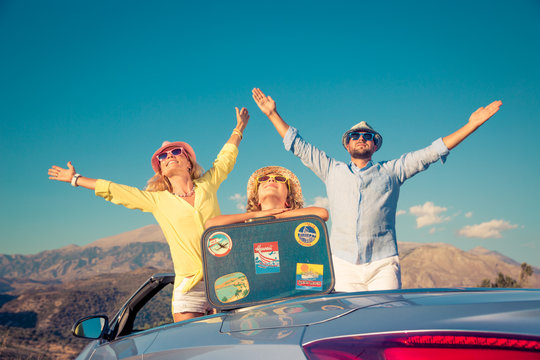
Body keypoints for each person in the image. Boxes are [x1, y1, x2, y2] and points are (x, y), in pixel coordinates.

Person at [252, 87, 502, 292]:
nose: (361, 137)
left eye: (367, 135)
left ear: (375, 145)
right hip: (342, 265)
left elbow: (431, 153)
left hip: (382, 264)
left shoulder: (393, 170)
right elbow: (299, 146)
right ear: (347, 144)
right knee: (346, 329)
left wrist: (472, 125)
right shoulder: (331, 169)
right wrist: (272, 114)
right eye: (355, 135)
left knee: (383, 325)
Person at [48, 107, 250, 322]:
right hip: (188, 286)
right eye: (163, 156)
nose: (169, 156)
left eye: (176, 152)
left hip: (225, 277)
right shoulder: (157, 200)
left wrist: (239, 128)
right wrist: (75, 178)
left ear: (189, 163)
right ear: (161, 170)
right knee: (191, 347)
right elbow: (114, 190)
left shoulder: (207, 184)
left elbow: (225, 159)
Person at [205, 165, 328, 228]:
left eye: (279, 179)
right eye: (264, 179)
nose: (270, 180)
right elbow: (210, 224)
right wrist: (256, 215)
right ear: (257, 199)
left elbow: (322, 213)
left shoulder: (295, 220)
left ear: (288, 199)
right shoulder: (247, 222)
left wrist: (276, 215)